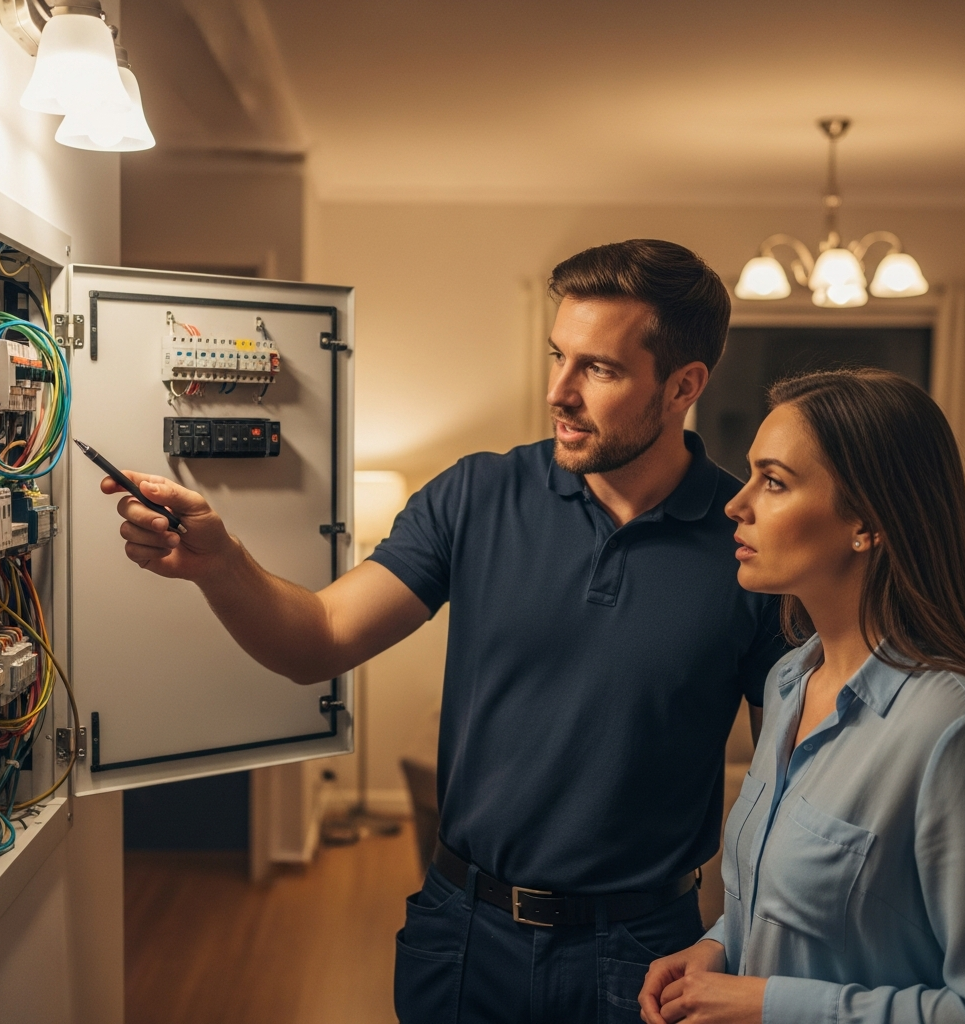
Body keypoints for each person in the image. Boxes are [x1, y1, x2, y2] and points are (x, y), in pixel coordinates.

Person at [103, 239, 787, 1024]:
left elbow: (786, 790)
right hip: (463, 932)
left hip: (644, 951)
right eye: (557, 356)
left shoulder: (748, 542)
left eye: (598, 369)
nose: (558, 391)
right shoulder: (477, 495)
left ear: (684, 386)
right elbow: (318, 639)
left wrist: (741, 941)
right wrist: (220, 564)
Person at [638, 368, 965, 1024]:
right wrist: (717, 945)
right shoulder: (789, 681)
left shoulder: (949, 730)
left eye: (775, 481)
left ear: (868, 523)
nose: (737, 505)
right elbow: (781, 900)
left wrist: (768, 1005)